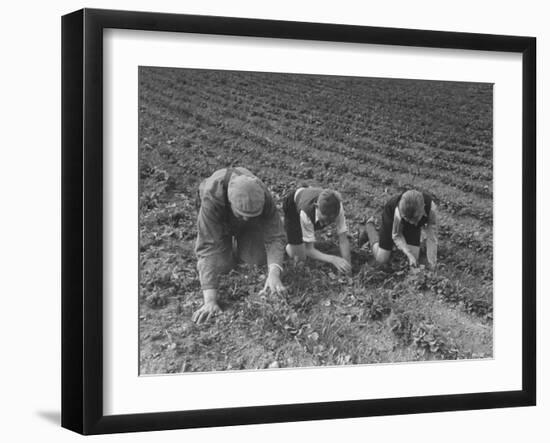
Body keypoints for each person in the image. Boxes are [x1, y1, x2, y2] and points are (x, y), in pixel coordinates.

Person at [192, 167, 286, 324]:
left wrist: (274, 274)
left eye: (251, 215)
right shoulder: (212, 197)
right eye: (241, 215)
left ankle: (241, 240)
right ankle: (226, 242)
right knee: (222, 266)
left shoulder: (262, 195)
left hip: (246, 219)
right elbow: (207, 246)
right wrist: (210, 301)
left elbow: (275, 235)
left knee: (257, 259)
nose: (245, 219)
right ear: (230, 203)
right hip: (218, 219)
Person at [359, 190, 438, 268]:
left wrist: (432, 263)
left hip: (410, 218)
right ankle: (370, 227)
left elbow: (432, 237)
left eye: (415, 219)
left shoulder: (431, 209)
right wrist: (408, 253)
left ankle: (396, 249)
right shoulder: (397, 210)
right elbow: (397, 235)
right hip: (392, 218)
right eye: (409, 221)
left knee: (414, 259)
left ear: (422, 209)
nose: (412, 223)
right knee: (382, 259)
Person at [282, 186, 352, 274]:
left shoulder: (338, 208)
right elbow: (309, 250)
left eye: (331, 221)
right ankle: (288, 244)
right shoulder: (306, 212)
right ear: (316, 207)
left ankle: (303, 237)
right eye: (324, 220)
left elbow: (343, 240)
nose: (325, 224)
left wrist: (347, 266)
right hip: (293, 206)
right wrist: (333, 259)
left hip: (309, 203)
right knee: (300, 258)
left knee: (308, 233)